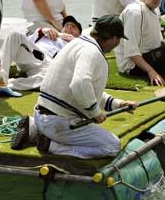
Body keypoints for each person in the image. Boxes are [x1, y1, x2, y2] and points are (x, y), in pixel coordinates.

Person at [12, 15, 138, 158]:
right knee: (112, 146)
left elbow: (87, 89)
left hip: (43, 115)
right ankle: (52, 145)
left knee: (76, 115)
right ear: (113, 38)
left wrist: (118, 104)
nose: (117, 43)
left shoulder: (76, 43)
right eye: (118, 39)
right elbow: (80, 83)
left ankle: (34, 128)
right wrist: (95, 113)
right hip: (59, 123)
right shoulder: (92, 52)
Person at [0, 15, 82, 90]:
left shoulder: (79, 45)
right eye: (67, 25)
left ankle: (7, 84)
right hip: (33, 55)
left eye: (73, 27)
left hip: (49, 66)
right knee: (14, 35)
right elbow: (28, 42)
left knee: (52, 80)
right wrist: (42, 31)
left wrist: (75, 41)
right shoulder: (48, 34)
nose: (69, 27)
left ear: (79, 34)